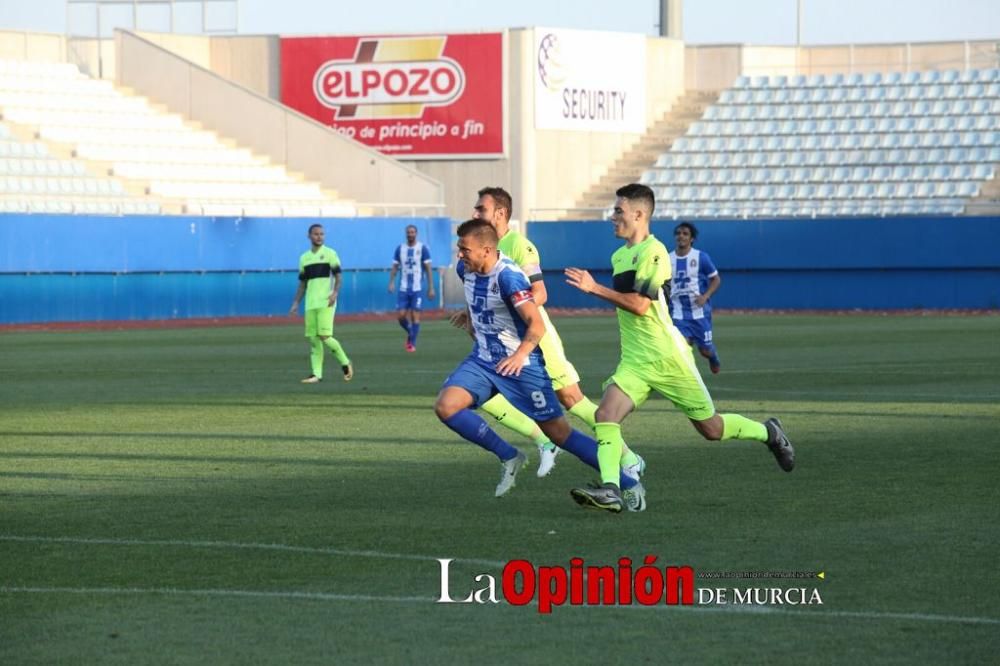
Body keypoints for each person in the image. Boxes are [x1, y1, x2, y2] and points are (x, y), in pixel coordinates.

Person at [564, 183, 794, 512]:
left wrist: (594, 288)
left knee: (711, 429)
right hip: (636, 359)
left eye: (619, 211)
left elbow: (642, 306)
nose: (612, 217)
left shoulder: (654, 252)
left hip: (668, 357)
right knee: (605, 415)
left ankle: (769, 432)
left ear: (639, 214)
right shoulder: (619, 256)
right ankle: (612, 489)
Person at [435, 219, 644, 511]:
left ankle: (629, 483)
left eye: (464, 249)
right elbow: (478, 300)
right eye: (459, 248)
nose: (459, 255)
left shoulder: (509, 277)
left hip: (521, 366)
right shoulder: (465, 269)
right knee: (446, 406)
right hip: (483, 360)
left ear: (486, 250)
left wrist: (520, 355)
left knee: (560, 433)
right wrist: (470, 318)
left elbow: (536, 324)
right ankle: (509, 455)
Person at [469, 187, 646, 483]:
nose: (475, 214)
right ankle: (543, 438)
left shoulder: (519, 246)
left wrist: (506, 308)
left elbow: (539, 293)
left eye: (481, 209)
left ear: (499, 213)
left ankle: (629, 458)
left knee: (572, 399)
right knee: (480, 394)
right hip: (502, 342)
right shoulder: (483, 248)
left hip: (535, 340)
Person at [289, 223, 353, 383]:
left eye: (322, 234)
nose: (319, 237)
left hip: (326, 302)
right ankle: (316, 374)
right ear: (309, 236)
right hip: (311, 304)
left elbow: (339, 276)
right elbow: (303, 283)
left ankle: (345, 362)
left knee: (325, 335)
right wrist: (296, 302)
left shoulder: (330, 254)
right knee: (313, 339)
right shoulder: (304, 258)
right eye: (316, 234)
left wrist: (335, 293)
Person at [669, 222, 722, 374]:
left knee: (705, 351)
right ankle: (687, 379)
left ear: (692, 239)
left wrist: (706, 296)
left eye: (685, 233)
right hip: (678, 312)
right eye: (678, 233)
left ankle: (713, 357)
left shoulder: (700, 258)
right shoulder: (667, 258)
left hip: (699, 312)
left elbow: (716, 279)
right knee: (681, 348)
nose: (681, 236)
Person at [388, 224, 436, 352]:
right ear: (406, 234)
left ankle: (412, 343)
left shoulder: (422, 248)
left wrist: (431, 287)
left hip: (417, 288)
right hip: (403, 288)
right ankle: (411, 332)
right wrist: (391, 282)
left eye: (413, 232)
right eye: (408, 232)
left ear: (416, 233)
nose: (410, 234)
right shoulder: (400, 249)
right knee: (401, 316)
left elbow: (428, 268)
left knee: (416, 316)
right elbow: (395, 267)